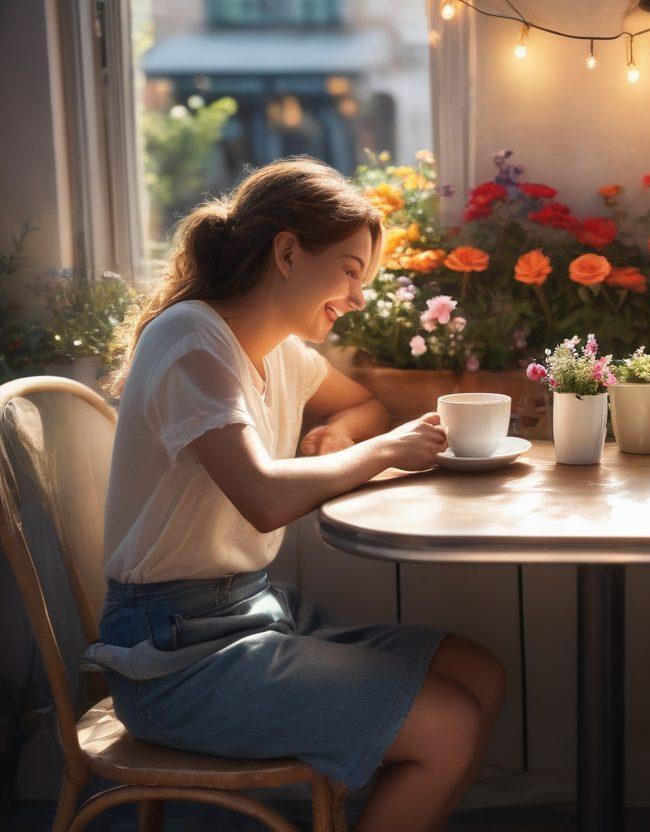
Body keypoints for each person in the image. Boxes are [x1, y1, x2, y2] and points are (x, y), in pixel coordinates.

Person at [89, 157, 504, 832]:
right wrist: (381, 451)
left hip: (248, 612)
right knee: (449, 724)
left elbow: (363, 404)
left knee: (475, 672)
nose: (359, 298)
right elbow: (262, 497)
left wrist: (339, 433)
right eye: (349, 271)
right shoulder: (191, 339)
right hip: (172, 657)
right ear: (287, 252)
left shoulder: (278, 348)